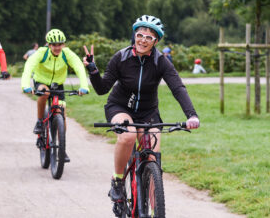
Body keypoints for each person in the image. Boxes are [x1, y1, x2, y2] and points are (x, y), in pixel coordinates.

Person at [83, 15, 200, 202]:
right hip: (120, 107)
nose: (143, 40)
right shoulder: (121, 57)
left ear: (156, 41)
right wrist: (93, 70)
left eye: (149, 37)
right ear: (134, 36)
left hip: (148, 112)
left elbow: (177, 88)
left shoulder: (160, 61)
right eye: (140, 35)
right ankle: (118, 180)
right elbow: (102, 89)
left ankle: (154, 209)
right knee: (128, 135)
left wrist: (191, 115)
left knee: (152, 158)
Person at [21, 28, 89, 162]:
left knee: (61, 113)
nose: (57, 47)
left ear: (63, 44)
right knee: (44, 93)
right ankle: (40, 122)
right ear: (48, 44)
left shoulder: (67, 53)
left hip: (58, 85)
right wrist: (25, 85)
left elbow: (79, 67)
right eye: (53, 45)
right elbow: (29, 65)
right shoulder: (41, 52)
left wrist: (84, 86)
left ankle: (61, 149)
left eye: (59, 44)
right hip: (41, 81)